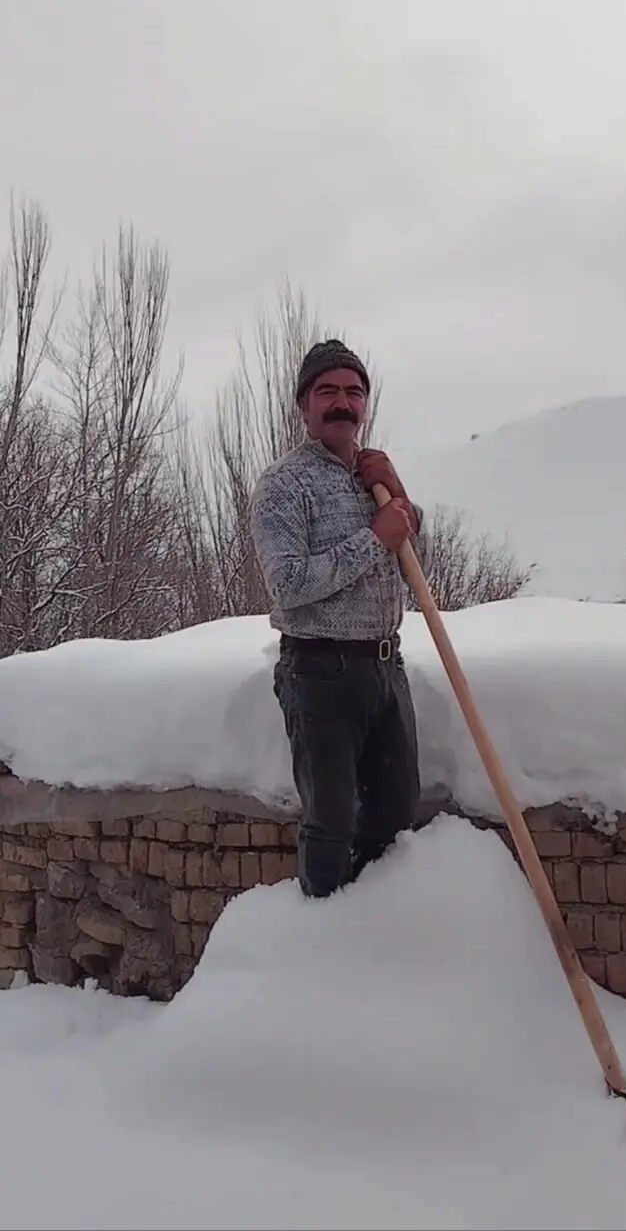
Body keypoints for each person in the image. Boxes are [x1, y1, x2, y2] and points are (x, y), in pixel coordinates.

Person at [249, 339, 432, 898]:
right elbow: (289, 585)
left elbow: (415, 570)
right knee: (331, 822)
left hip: (385, 666)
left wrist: (400, 501)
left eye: (354, 392)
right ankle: (323, 941)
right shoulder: (284, 485)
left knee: (396, 816)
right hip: (321, 672)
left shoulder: (372, 476)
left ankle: (378, 937)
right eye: (327, 391)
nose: (342, 403)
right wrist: (375, 539)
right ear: (305, 405)